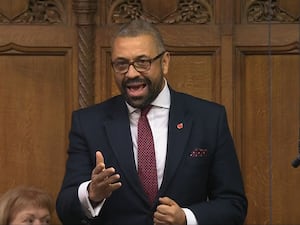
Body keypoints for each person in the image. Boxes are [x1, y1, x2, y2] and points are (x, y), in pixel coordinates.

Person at [56, 19, 248, 225]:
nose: (131, 73)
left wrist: (186, 218)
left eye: (142, 62)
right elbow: (65, 208)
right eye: (121, 64)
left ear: (164, 62)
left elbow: (233, 204)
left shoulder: (208, 119)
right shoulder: (88, 123)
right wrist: (91, 194)